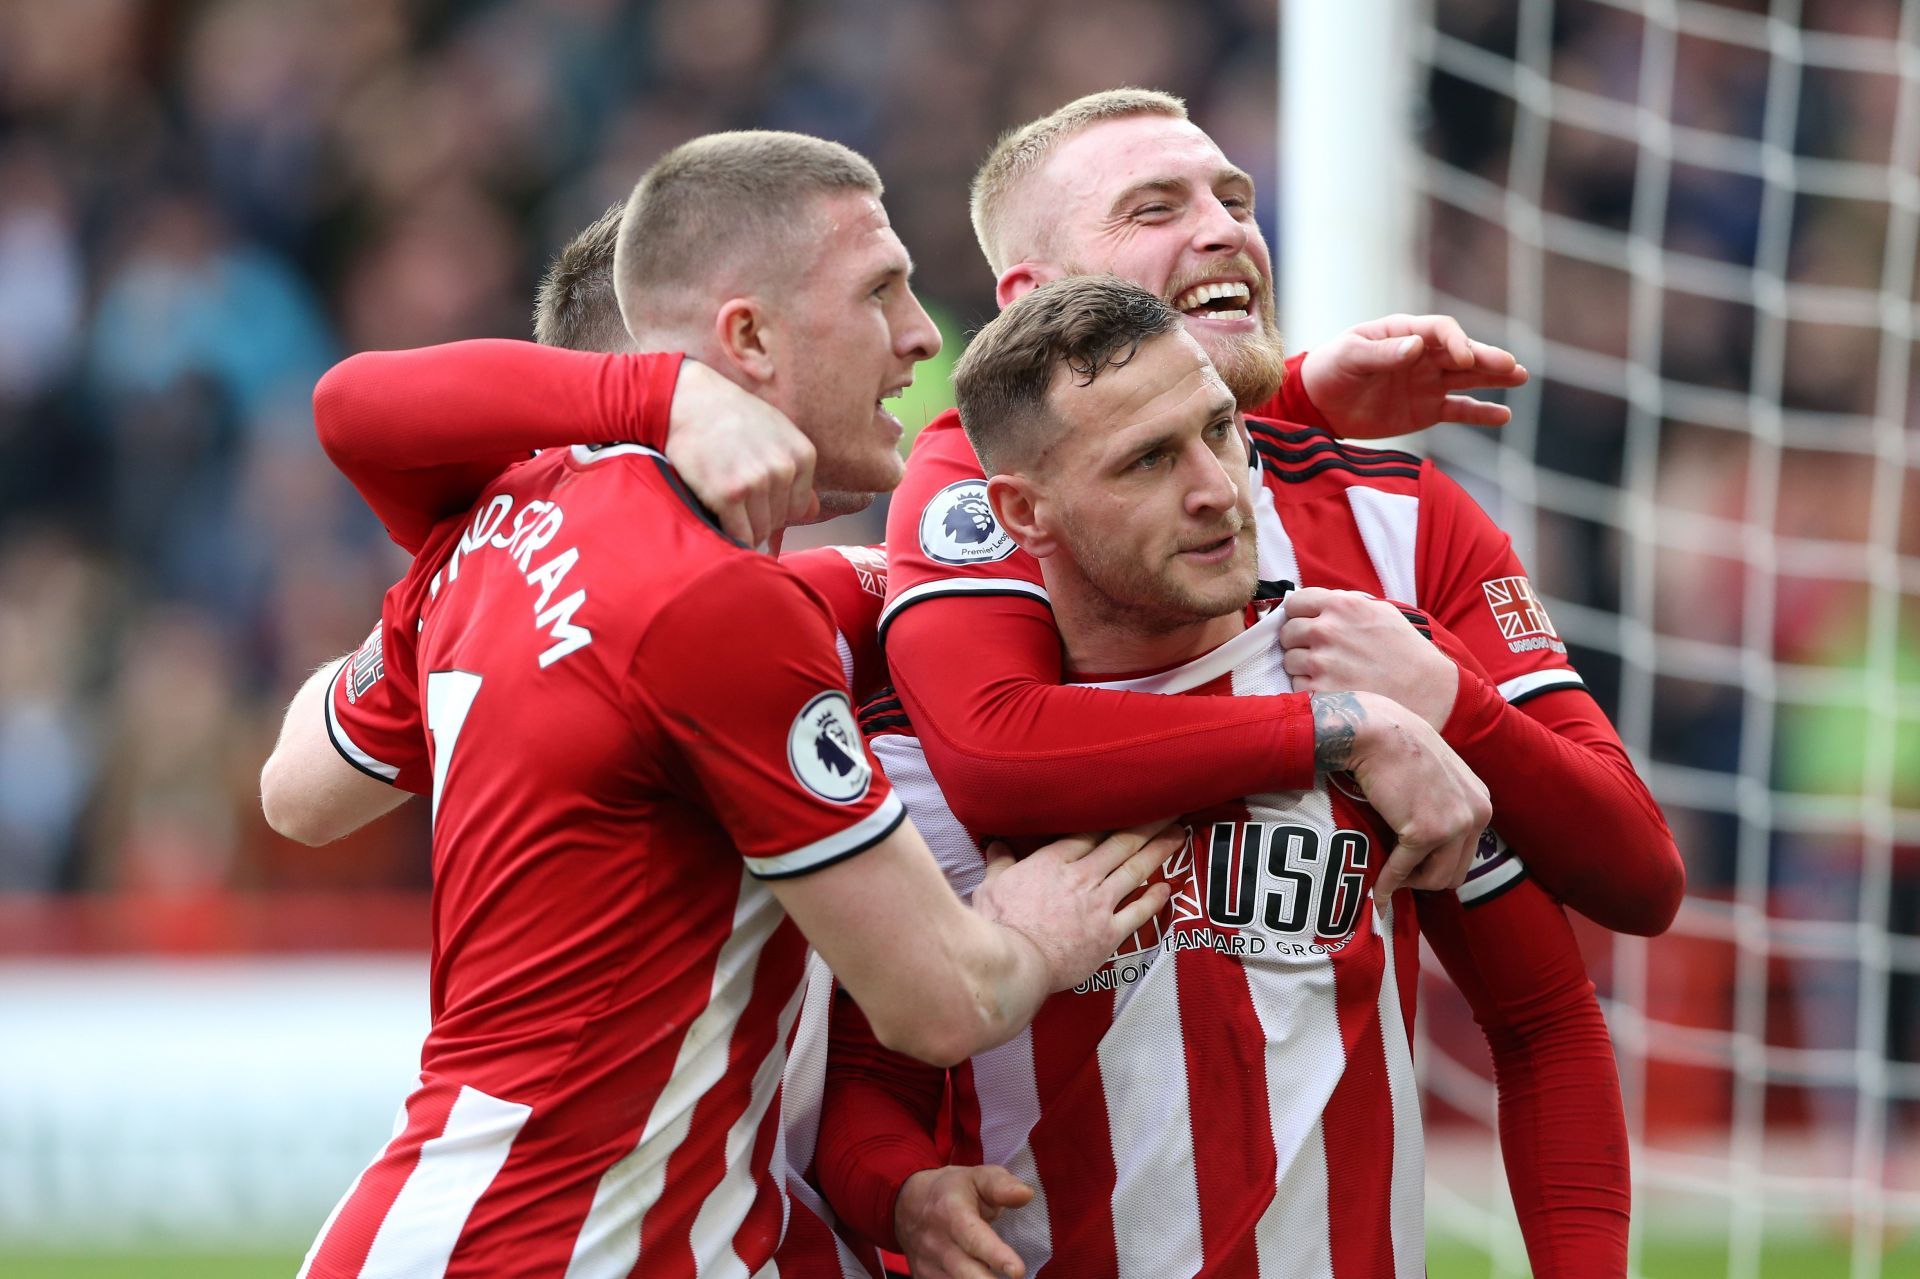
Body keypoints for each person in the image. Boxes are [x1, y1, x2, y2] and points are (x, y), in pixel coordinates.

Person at [287, 132, 1194, 1279]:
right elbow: (945, 1000)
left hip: (467, 1223)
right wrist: (1035, 933)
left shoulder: (495, 529)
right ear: (745, 342)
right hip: (551, 1250)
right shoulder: (713, 605)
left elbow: (299, 791)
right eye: (881, 292)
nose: (922, 335)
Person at [861, 88, 1672, 1278]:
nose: (1224, 227)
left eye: (1233, 198)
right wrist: (1348, 725)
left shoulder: (1399, 529)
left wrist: (1449, 705)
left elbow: (1629, 888)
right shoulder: (961, 510)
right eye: (1156, 208)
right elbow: (986, 757)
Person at [828, 274, 1491, 1278]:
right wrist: (904, 1191)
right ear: (1021, 511)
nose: (1217, 488)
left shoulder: (1373, 675)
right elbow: (867, 1075)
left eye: (1221, 431)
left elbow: (1551, 1008)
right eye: (1147, 461)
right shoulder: (915, 765)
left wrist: (1466, 718)